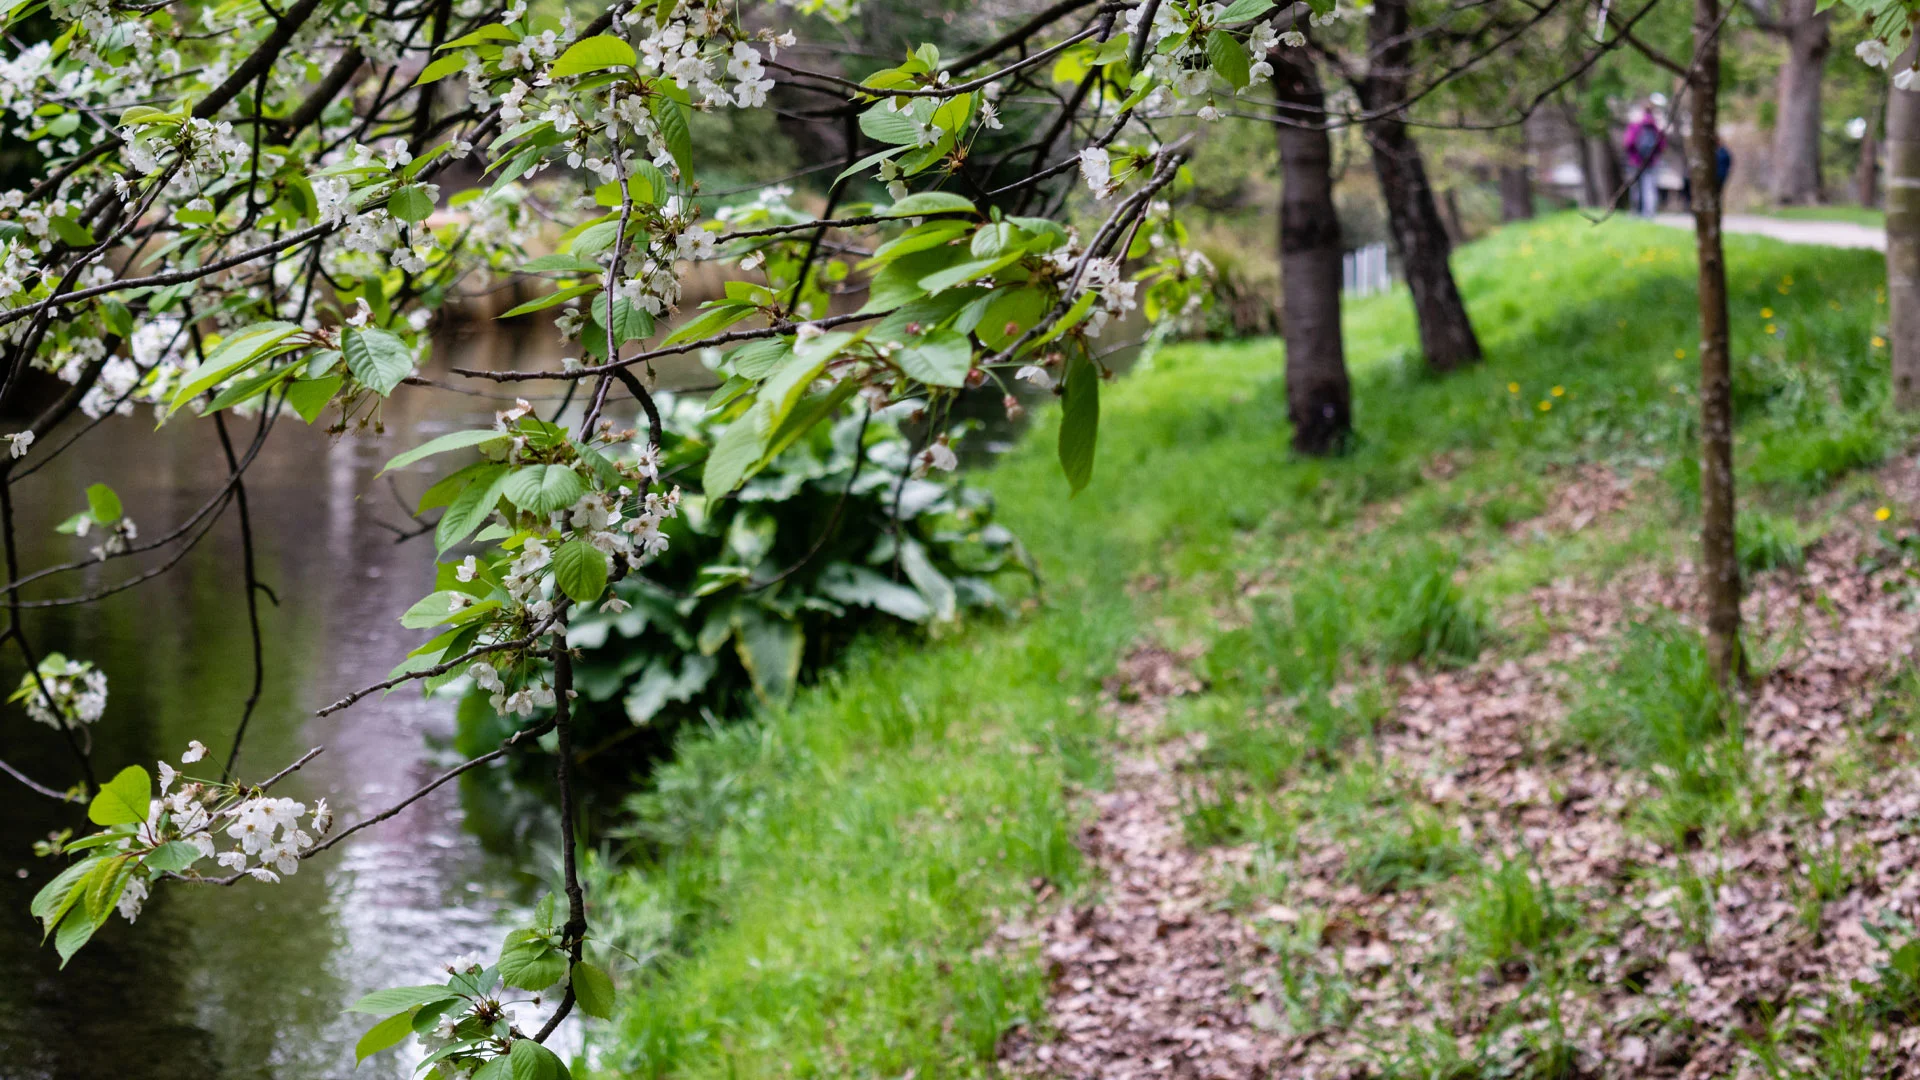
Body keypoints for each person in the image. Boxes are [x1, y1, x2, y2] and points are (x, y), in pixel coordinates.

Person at [1622, 107, 1666, 216]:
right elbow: (1662, 146)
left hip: (1635, 162)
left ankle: (1635, 211)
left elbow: (1628, 143)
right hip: (1651, 162)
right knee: (1649, 187)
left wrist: (1633, 155)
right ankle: (1649, 212)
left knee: (1635, 188)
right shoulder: (1656, 128)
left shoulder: (1636, 126)